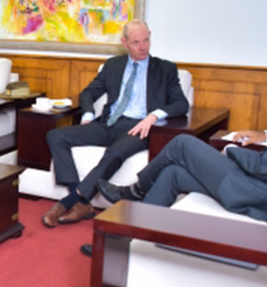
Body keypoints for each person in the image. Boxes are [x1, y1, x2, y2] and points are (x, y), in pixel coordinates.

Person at [97, 47, 267, 221]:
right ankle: (129, 237)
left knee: (182, 144)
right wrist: (264, 134)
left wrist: (229, 149)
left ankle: (134, 190)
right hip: (266, 187)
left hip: (259, 194)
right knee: (172, 173)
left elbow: (265, 166)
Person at [41, 19, 189, 228]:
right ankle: (82, 200)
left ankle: (67, 203)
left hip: (138, 127)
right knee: (56, 135)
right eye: (136, 42)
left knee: (114, 153)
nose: (143, 46)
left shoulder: (165, 69)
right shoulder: (113, 65)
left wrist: (153, 116)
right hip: (108, 123)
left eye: (146, 40)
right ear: (125, 42)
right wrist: (88, 115)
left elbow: (181, 103)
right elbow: (88, 93)